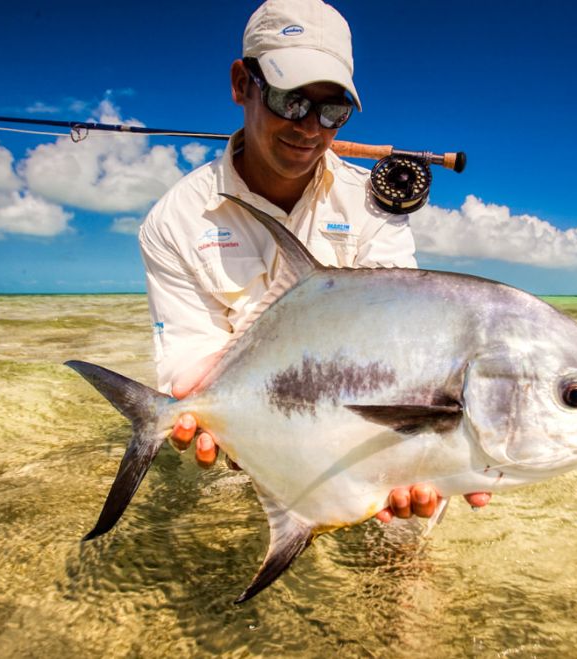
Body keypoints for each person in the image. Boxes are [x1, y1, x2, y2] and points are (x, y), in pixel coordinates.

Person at [138, 0, 490, 521]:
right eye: (288, 99)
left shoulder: (371, 202)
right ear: (241, 84)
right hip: (247, 441)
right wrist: (207, 412)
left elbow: (404, 344)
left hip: (363, 436)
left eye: (332, 110)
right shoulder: (174, 221)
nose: (309, 128)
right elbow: (190, 359)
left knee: (403, 559)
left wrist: (431, 451)